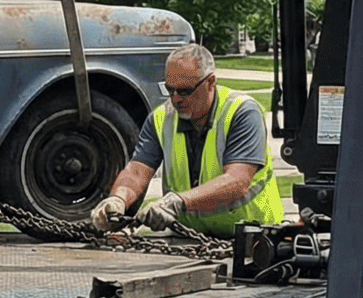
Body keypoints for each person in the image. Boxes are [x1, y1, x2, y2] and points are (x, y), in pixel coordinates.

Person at [89, 43, 284, 235]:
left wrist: (177, 202)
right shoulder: (161, 119)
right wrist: (118, 199)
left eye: (184, 91)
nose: (175, 99)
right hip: (190, 237)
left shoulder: (241, 112)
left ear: (210, 82)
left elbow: (237, 180)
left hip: (253, 236)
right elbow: (138, 171)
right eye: (169, 90)